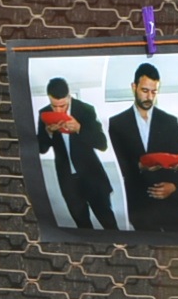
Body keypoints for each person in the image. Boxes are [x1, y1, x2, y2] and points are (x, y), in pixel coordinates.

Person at [108, 63, 178, 235]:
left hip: (173, 209)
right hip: (140, 210)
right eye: (145, 90)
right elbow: (117, 168)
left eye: (154, 92)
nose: (149, 97)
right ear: (134, 87)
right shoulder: (117, 124)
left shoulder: (170, 122)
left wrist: (174, 187)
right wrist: (139, 166)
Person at [33, 77, 116, 232]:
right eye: (54, 106)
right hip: (68, 182)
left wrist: (79, 129)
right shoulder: (44, 113)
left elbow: (102, 143)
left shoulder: (85, 110)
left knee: (109, 223)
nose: (58, 111)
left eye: (63, 106)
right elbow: (41, 148)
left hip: (93, 178)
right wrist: (48, 132)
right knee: (82, 226)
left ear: (69, 97)